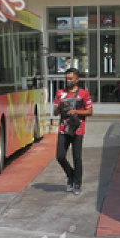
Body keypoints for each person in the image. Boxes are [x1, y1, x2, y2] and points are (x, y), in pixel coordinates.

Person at [53, 67, 93, 195]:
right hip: (63, 129)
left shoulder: (84, 93)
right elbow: (55, 112)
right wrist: (60, 106)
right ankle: (71, 175)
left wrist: (75, 111)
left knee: (77, 157)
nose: (68, 81)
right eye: (66, 78)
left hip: (77, 129)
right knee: (60, 156)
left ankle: (77, 183)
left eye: (70, 78)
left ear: (77, 79)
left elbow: (90, 111)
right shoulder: (60, 93)